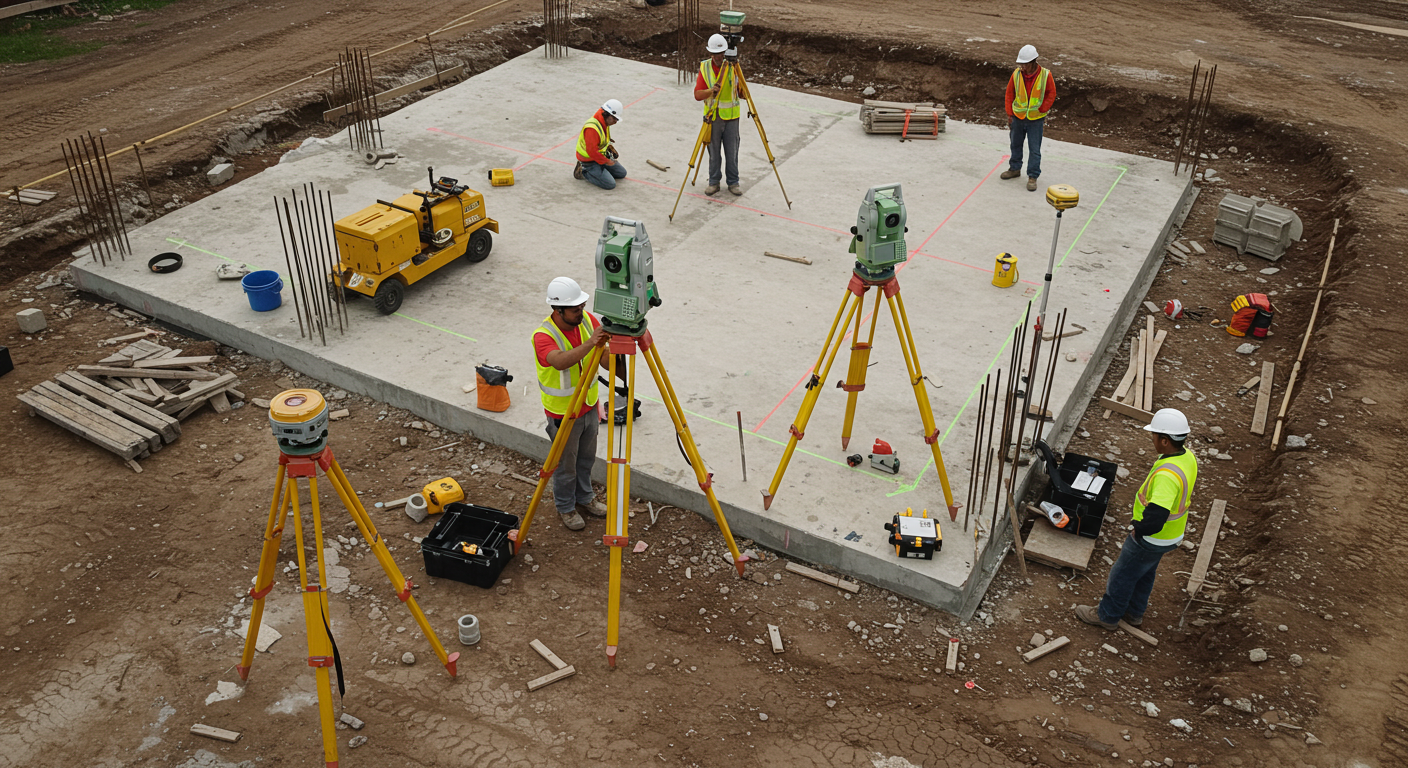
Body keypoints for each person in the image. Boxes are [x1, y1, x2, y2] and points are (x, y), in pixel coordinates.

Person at [1076, 408, 1198, 630]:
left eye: (1154, 435)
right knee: (1144, 573)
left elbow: (1156, 518)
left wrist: (1138, 529)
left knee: (1122, 574)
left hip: (1152, 538)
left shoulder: (1167, 476)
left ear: (1164, 440)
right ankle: (1134, 613)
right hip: (1170, 536)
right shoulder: (1186, 457)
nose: (1151, 439)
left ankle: (1108, 616)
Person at [533, 277, 610, 530]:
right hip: (562, 413)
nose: (582, 312)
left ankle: (585, 498)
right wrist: (591, 342)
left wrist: (620, 355)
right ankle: (566, 507)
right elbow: (560, 361)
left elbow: (604, 357)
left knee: (586, 460)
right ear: (558, 310)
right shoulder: (543, 336)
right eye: (576, 309)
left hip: (588, 405)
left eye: (583, 306)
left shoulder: (586, 320)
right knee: (565, 466)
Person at [694, 33, 746, 197]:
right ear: (710, 53)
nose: (719, 56)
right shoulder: (705, 68)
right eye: (716, 53)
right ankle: (713, 182)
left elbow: (743, 93)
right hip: (712, 117)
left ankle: (733, 182)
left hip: (732, 117)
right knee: (714, 152)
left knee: (732, 152)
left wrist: (742, 89)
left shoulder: (733, 67)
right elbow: (697, 95)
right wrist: (711, 91)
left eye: (722, 53)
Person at [1001, 44, 1056, 192]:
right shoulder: (1016, 74)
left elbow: (1051, 93)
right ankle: (1014, 168)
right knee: (1015, 144)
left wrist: (1043, 108)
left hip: (1035, 119)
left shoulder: (1045, 75)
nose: (1023, 67)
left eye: (1025, 64)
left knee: (1034, 149)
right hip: (1018, 117)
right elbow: (1009, 94)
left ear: (1033, 61)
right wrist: (1009, 114)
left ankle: (1033, 176)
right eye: (1021, 64)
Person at [574, 99, 627, 190]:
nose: (615, 121)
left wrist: (609, 147)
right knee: (610, 184)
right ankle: (583, 171)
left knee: (621, 173)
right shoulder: (592, 128)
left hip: (600, 157)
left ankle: (600, 170)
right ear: (607, 114)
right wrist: (607, 161)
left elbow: (602, 140)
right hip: (589, 161)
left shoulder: (604, 122)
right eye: (615, 118)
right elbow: (592, 151)